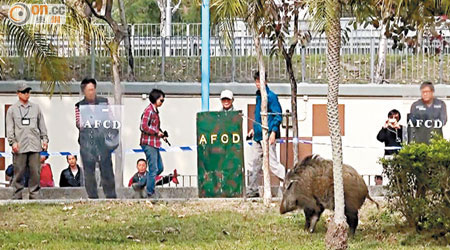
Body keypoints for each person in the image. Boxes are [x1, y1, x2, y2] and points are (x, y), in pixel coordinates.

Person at [75, 78, 117, 198]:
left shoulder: (104, 102)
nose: (91, 92)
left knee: (107, 170)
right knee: (89, 172)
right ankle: (93, 197)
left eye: (93, 89)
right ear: (84, 91)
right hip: (87, 143)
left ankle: (111, 196)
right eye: (89, 90)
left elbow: (111, 118)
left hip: (103, 142)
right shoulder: (79, 106)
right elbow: (79, 123)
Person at [246, 71, 285, 197]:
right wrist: (253, 129)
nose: (258, 83)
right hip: (258, 136)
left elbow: (277, 115)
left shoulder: (271, 96)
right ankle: (252, 191)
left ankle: (289, 183)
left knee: (273, 165)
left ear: (265, 81)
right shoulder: (258, 96)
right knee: (254, 164)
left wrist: (273, 132)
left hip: (267, 135)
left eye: (260, 80)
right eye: (256, 81)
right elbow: (259, 117)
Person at [6, 83, 49, 199]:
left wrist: (45, 139)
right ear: (18, 94)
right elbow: (10, 129)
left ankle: (34, 195)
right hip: (20, 146)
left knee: (35, 172)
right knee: (18, 172)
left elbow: (42, 126)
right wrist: (12, 142)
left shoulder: (36, 108)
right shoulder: (12, 110)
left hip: (34, 145)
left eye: (28, 92)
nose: (26, 94)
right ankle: (17, 196)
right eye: (24, 92)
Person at [140, 89, 167, 198]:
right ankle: (150, 193)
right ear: (156, 99)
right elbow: (143, 126)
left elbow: (154, 126)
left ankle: (141, 183)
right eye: (161, 100)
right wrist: (156, 132)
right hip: (148, 143)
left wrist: (161, 134)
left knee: (159, 168)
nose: (162, 102)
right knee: (153, 169)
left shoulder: (155, 111)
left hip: (155, 143)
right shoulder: (149, 111)